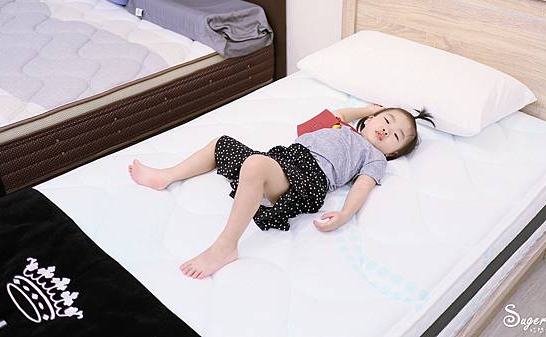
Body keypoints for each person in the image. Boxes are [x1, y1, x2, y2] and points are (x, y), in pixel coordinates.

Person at [128, 104, 435, 279]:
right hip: (283, 160)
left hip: (308, 179)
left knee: (255, 165)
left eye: (396, 136)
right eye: (386, 119)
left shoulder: (374, 157)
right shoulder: (340, 126)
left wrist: (345, 214)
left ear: (392, 153)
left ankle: (225, 246)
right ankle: (166, 175)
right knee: (222, 144)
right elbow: (333, 115)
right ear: (370, 118)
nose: (387, 130)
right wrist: (369, 108)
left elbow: (363, 186)